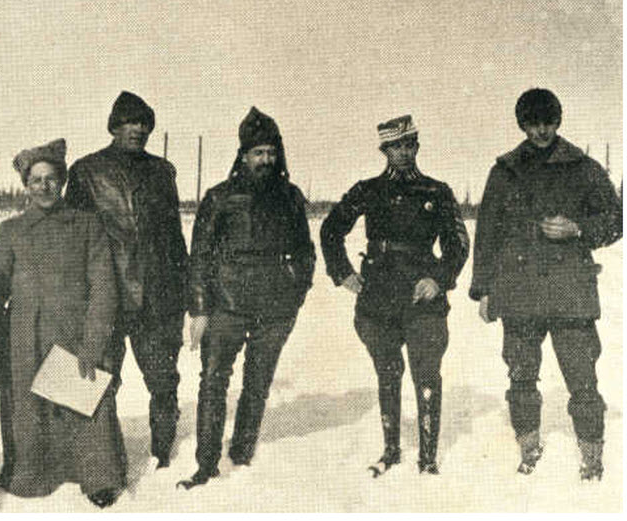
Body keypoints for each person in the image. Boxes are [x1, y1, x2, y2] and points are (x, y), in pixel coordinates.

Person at [469, 88, 622, 480]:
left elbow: (616, 221)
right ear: (522, 124)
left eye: (549, 122)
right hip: (518, 292)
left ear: (559, 120)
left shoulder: (583, 167)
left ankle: (592, 456)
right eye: (533, 123)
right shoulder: (504, 170)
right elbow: (486, 232)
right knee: (520, 376)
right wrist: (483, 289)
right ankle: (528, 447)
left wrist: (578, 228)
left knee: (582, 379)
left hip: (570, 292)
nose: (542, 131)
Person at [320, 115, 469, 476]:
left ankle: (428, 459)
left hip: (423, 299)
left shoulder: (437, 192)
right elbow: (330, 230)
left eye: (409, 145)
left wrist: (439, 279)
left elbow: (458, 245)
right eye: (396, 147)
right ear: (384, 151)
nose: (404, 152)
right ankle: (390, 451)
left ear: (417, 146)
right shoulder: (368, 190)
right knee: (387, 372)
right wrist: (343, 274)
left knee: (426, 373)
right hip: (378, 298)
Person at [177, 107, 316, 489]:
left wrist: (295, 295)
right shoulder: (219, 198)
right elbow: (200, 255)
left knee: (258, 383)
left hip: (275, 309)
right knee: (213, 382)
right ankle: (206, 465)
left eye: (271, 152)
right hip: (227, 306)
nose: (266, 160)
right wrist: (201, 309)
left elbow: (305, 252)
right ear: (243, 155)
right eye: (258, 153)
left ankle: (241, 454)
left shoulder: (290, 197)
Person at [0, 139, 127, 507]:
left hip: (74, 330)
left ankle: (98, 479)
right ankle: (30, 474)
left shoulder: (86, 225)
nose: (44, 187)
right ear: (26, 185)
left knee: (85, 402)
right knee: (29, 408)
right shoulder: (10, 231)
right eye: (36, 180)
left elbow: (104, 288)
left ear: (62, 181)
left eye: (51, 179)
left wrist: (93, 341)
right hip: (25, 334)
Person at [66, 91, 188, 469]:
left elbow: (173, 235)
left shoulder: (163, 172)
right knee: (99, 384)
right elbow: (75, 239)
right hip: (108, 297)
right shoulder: (87, 171)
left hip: (159, 299)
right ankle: (101, 462)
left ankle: (163, 456)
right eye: (128, 123)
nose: (137, 129)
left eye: (143, 123)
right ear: (114, 127)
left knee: (164, 382)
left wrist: (185, 293)